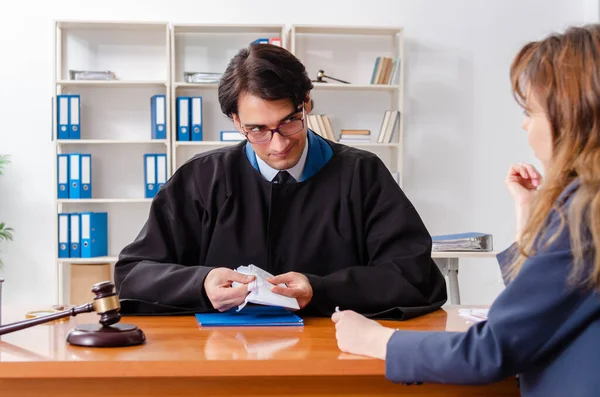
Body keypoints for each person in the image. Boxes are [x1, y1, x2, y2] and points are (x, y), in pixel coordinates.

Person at [331, 24, 600, 396]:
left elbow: (491, 349)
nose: (525, 125)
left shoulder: (585, 215)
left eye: (531, 111)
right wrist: (529, 211)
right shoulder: (582, 208)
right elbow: (535, 307)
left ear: (573, 118)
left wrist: (377, 341)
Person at [113, 43, 447, 319]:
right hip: (222, 357)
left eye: (289, 122)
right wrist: (201, 282)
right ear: (235, 121)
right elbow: (133, 274)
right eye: (257, 129)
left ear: (307, 104)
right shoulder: (202, 179)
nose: (278, 144)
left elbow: (411, 273)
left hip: (335, 355)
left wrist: (320, 289)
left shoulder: (363, 175)